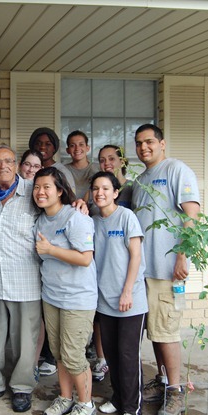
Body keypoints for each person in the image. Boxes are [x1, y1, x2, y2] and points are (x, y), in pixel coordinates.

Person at [131, 124, 200, 415]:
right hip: (144, 271)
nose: (143, 147)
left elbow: (191, 215)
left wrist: (182, 256)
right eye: (139, 143)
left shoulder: (176, 170)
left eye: (149, 141)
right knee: (156, 331)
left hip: (167, 269)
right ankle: (162, 382)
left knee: (167, 331)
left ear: (162, 143)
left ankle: (175, 390)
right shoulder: (140, 180)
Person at [0, 145, 42, 413]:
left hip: (26, 283)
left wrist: (79, 204)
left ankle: (22, 387)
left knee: (25, 342)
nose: (3, 166)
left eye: (8, 161)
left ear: (16, 165)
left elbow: (59, 207)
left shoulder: (33, 192)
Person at [32, 167, 97, 415]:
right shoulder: (41, 220)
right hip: (52, 296)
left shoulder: (75, 217)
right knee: (59, 352)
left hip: (77, 298)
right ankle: (65, 397)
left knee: (73, 355)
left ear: (60, 190)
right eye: (37, 187)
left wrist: (51, 249)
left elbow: (85, 258)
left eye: (47, 187)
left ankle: (86, 404)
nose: (40, 192)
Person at [91, 171, 148, 415]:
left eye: (105, 188)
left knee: (127, 355)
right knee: (112, 354)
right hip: (105, 300)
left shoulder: (126, 217)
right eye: (95, 188)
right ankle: (118, 397)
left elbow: (135, 256)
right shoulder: (93, 221)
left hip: (130, 300)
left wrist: (127, 291)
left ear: (116, 193)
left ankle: (132, 407)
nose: (100, 193)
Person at [86, 144, 133, 381]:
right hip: (101, 266)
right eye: (102, 160)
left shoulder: (131, 191)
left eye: (111, 159)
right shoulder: (95, 195)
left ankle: (125, 377)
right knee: (101, 319)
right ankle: (102, 359)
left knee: (126, 341)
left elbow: (135, 249)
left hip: (123, 265)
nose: (107, 163)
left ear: (121, 161)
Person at [18, 149, 57, 378]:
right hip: (20, 267)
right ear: (20, 166)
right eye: (27, 164)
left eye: (36, 166)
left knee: (41, 317)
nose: (30, 169)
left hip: (44, 265)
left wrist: (80, 203)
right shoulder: (12, 190)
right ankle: (26, 361)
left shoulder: (43, 193)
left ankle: (37, 361)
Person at [28, 127, 77, 195]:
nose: (42, 147)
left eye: (48, 144)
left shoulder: (62, 172)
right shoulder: (28, 170)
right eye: (38, 143)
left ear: (54, 148)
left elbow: (71, 197)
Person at [64, 130, 99, 200]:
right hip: (70, 206)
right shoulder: (63, 170)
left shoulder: (98, 169)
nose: (77, 149)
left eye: (81, 144)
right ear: (68, 150)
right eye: (72, 145)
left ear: (87, 148)